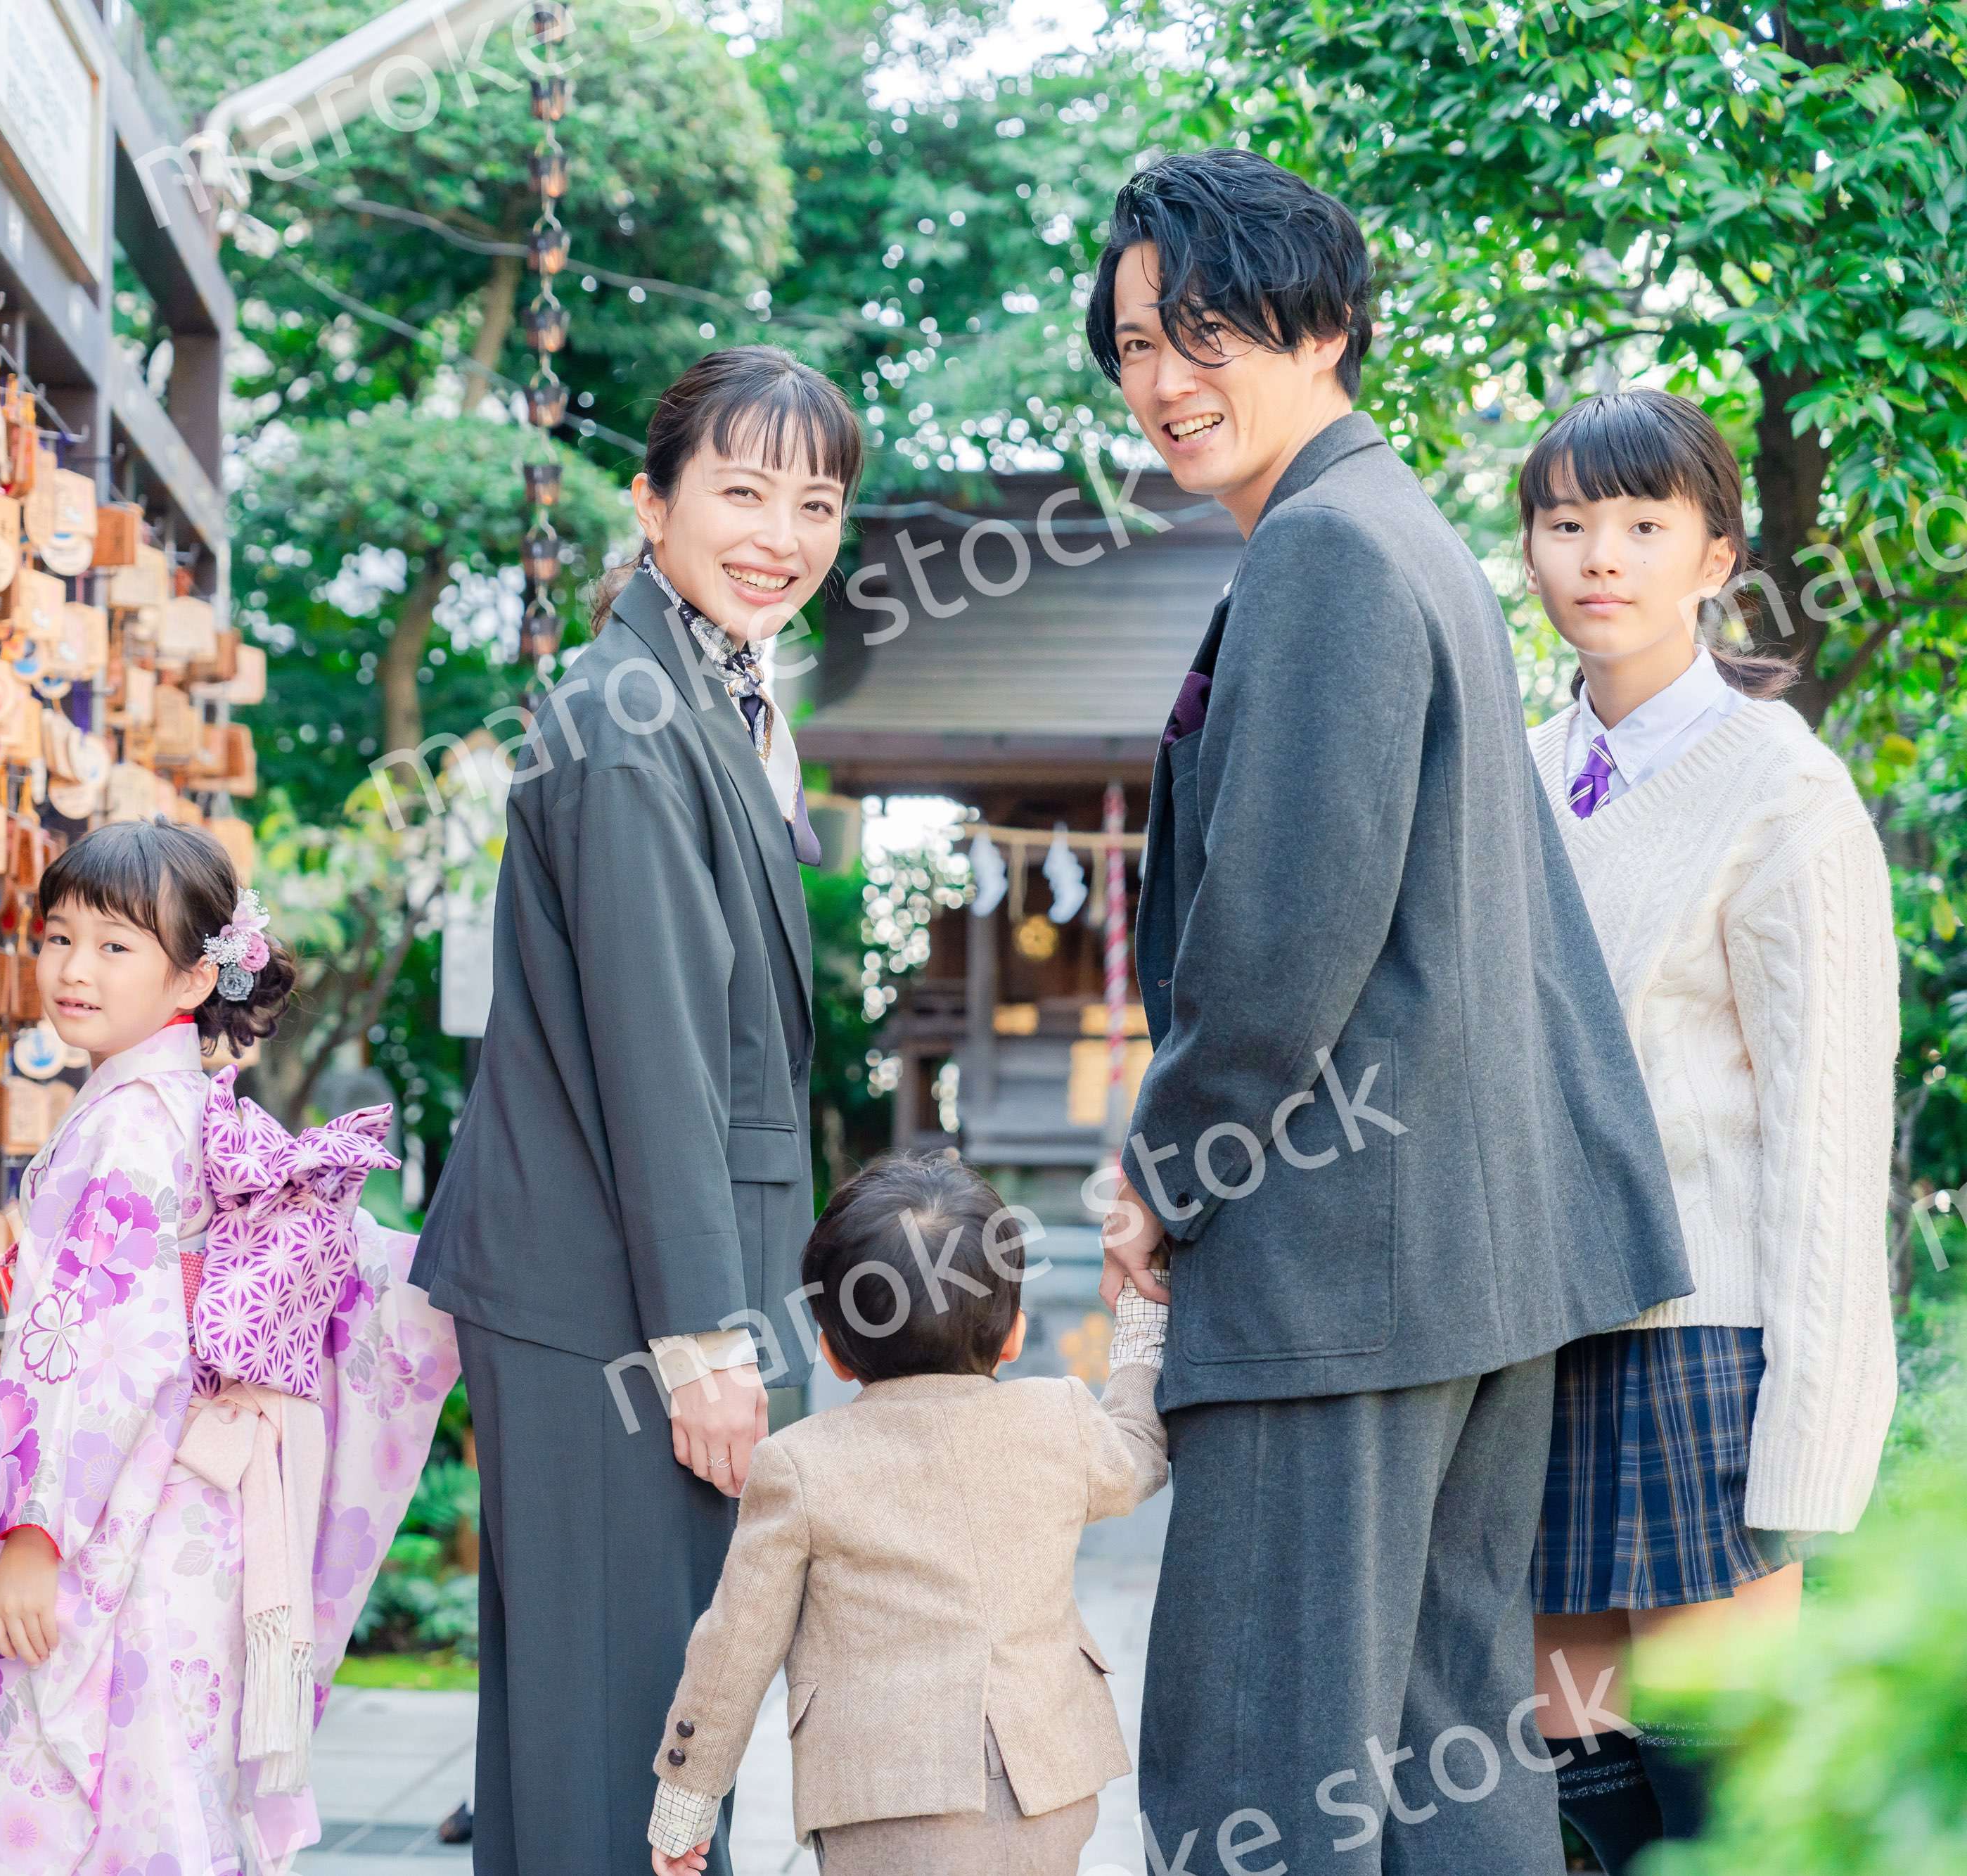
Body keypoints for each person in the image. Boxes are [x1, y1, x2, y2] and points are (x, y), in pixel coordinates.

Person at [1079, 149, 1693, 1873]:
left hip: (1338, 1272)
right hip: (1457, 1269)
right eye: (1131, 343)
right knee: (1439, 1746)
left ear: (1327, 326)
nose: (1160, 377)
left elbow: (1283, 945)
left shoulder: (1328, 554)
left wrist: (1163, 1177)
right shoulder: (1393, 528)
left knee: (1258, 1766)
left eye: (1204, 328)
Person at [416, 345, 860, 1875]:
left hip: (628, 1283)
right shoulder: (628, 712)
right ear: (652, 502)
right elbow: (656, 1044)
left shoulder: (695, 687)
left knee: (622, 1725)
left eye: (815, 502)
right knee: (631, 1728)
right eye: (738, 490)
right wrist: (704, 1342)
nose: (779, 535)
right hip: (619, 1300)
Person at [1511, 390, 1899, 1870]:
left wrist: (1806, 1443)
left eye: (1639, 524)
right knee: (1573, 1793)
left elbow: (1825, 1131)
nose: (1596, 556)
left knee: (1719, 1798)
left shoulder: (1781, 789)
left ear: (1713, 552)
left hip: (1700, 1345)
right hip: (1539, 1337)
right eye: (1562, 524)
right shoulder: (1517, 776)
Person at [0, 819, 461, 1873]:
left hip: (133, 1517)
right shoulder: (179, 1106)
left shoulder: (132, 1123)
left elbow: (102, 1349)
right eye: (58, 937)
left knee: (124, 1791)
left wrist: (35, 1529)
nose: (72, 968)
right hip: (199, 1508)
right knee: (171, 1789)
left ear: (193, 980)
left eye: (113, 945)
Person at [639, 1153, 1170, 1876]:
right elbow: (1140, 1451)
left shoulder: (800, 1463)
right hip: (1048, 1777)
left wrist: (686, 1799)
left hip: (879, 1793)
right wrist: (1143, 1316)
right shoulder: (1059, 1420)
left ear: (832, 1352)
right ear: (1012, 1334)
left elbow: (736, 1645)